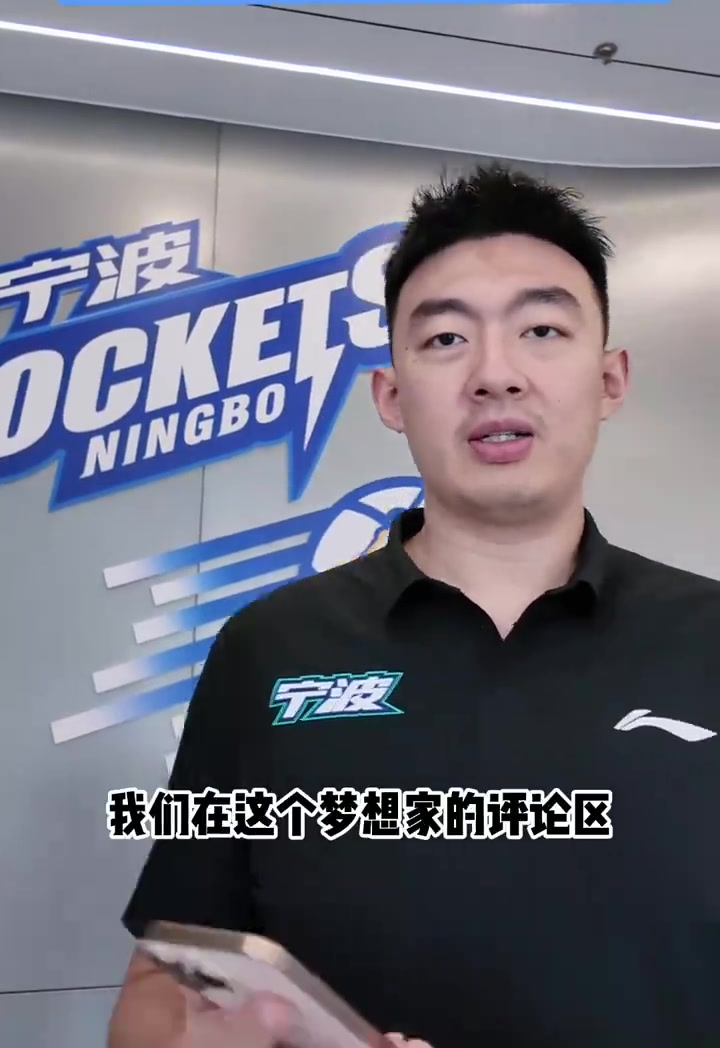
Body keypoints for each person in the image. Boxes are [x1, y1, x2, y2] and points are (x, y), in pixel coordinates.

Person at [108, 163, 720, 1048]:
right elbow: (161, 990)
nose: (495, 375)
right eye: (445, 339)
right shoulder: (270, 651)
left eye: (542, 329)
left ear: (610, 380)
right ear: (390, 396)